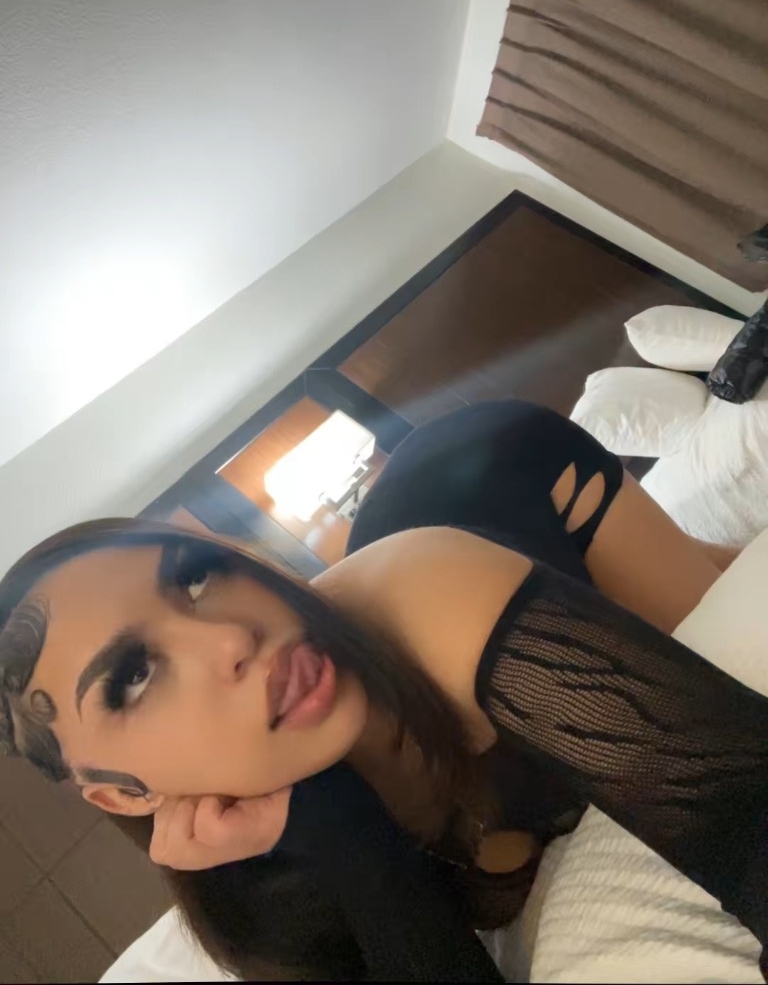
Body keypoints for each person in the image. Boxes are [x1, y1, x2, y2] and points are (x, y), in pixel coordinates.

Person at [0, 401, 765, 982]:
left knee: (712, 604)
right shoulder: (244, 892)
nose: (231, 639)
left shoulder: (435, 602)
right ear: (123, 794)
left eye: (196, 578)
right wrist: (340, 831)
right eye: (134, 676)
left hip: (504, 471)